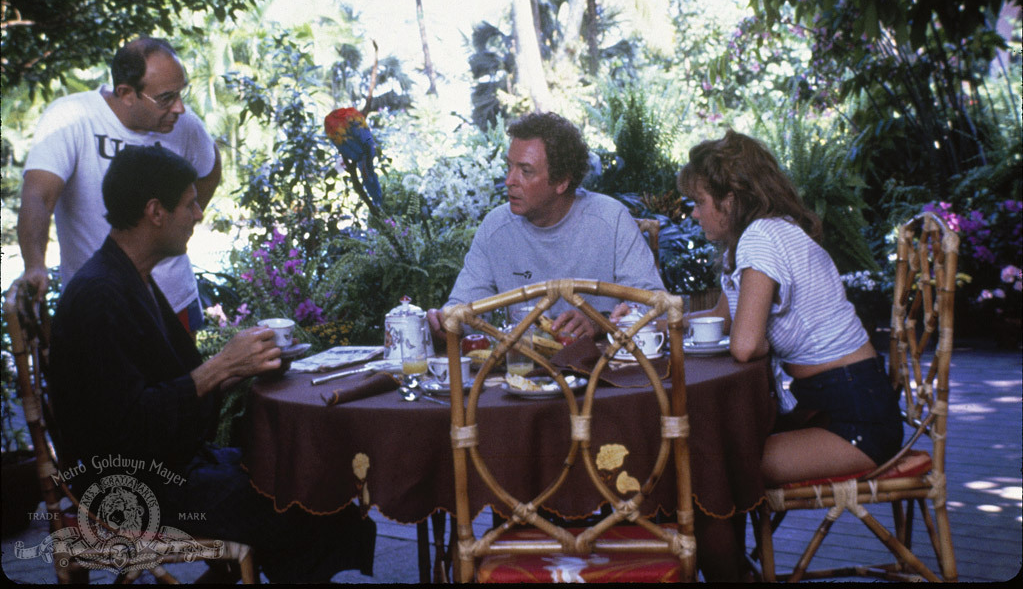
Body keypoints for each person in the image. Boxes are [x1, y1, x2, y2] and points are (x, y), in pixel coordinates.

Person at [47, 145, 375, 583]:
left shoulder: (130, 278)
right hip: (128, 488)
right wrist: (220, 367)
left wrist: (245, 364)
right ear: (155, 212)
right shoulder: (99, 296)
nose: (199, 214)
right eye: (190, 203)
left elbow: (174, 391)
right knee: (301, 503)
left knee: (305, 477)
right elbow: (126, 428)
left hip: (166, 467)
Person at [677, 130, 903, 485]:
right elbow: (720, 316)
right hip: (835, 403)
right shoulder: (768, 232)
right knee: (706, 448)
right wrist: (651, 325)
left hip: (855, 420)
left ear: (731, 200)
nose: (693, 213)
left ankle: (707, 543)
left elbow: (745, 345)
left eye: (699, 201)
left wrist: (761, 338)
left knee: (707, 468)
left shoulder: (760, 239)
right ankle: (726, 543)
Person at [18, 36, 221, 333]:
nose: (179, 107)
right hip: (100, 302)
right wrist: (34, 263)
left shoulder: (184, 124)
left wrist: (185, 215)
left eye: (181, 94)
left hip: (174, 298)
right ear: (126, 93)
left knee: (186, 377)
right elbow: (38, 196)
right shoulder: (72, 118)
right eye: (166, 98)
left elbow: (210, 168)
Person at [426, 111, 664, 339]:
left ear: (561, 181)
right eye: (510, 167)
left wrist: (599, 323)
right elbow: (464, 309)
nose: (509, 181)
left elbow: (655, 305)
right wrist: (443, 325)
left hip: (607, 370)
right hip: (522, 370)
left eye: (525, 171)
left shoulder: (610, 219)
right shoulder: (496, 227)